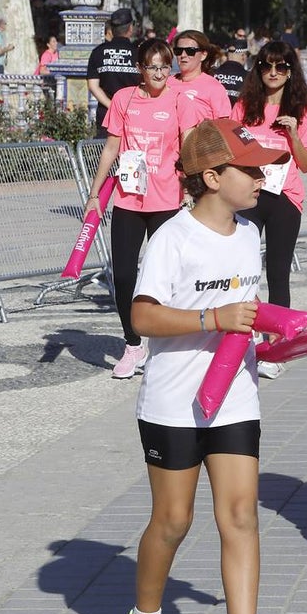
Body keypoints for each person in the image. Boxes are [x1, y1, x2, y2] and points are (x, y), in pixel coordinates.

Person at [119, 118, 288, 614]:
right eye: (251, 169)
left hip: (236, 395)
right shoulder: (172, 237)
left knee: (240, 515)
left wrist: (283, 333)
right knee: (173, 520)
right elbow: (142, 316)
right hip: (174, 402)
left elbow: (247, 311)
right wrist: (213, 318)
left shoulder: (250, 233)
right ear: (212, 177)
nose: (262, 178)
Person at [85, 39, 206, 379]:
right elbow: (111, 148)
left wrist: (191, 190)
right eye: (152, 67)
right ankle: (133, 343)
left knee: (166, 276)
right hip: (128, 197)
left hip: (167, 200)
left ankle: (167, 343)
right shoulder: (124, 99)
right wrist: (95, 193)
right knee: (124, 275)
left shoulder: (180, 99)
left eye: (165, 67)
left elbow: (189, 150)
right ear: (140, 68)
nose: (159, 73)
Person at [231, 41, 307, 379]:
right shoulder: (244, 105)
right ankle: (242, 336)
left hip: (285, 197)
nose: (273, 73)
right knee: (242, 268)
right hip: (249, 195)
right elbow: (231, 150)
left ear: (290, 71)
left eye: (281, 67)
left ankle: (278, 345)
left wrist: (294, 134)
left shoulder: (301, 109)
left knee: (277, 272)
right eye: (267, 66)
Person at [87, 9, 141, 139]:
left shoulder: (98, 52)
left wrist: (111, 106)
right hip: (133, 113)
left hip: (106, 114)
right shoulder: (138, 54)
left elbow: (93, 86)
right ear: (130, 28)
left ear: (111, 29)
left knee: (105, 152)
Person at [170, 30, 232, 120]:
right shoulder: (167, 83)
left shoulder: (214, 88)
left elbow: (223, 126)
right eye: (178, 51)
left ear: (203, 55)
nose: (183, 55)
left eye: (190, 51)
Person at [214, 40, 250, 107]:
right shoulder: (249, 77)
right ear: (243, 56)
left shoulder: (212, 74)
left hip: (212, 116)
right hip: (237, 116)